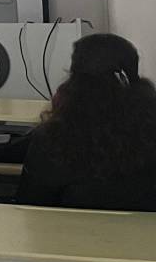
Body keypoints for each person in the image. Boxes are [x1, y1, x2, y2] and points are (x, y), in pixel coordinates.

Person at [16, 33, 156, 210]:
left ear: (74, 82)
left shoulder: (55, 138)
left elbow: (31, 205)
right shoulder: (148, 132)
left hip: (68, 227)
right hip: (146, 228)